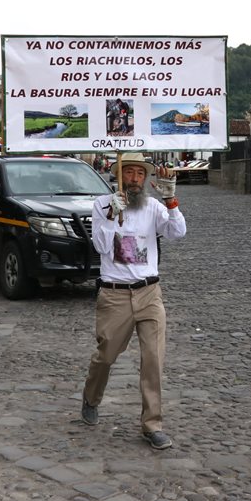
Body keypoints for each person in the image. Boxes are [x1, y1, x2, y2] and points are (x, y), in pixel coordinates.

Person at [81, 152, 186, 451]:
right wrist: (114, 214)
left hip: (149, 292)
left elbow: (178, 233)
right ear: (119, 174)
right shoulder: (101, 206)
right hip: (114, 295)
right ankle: (91, 397)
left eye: (141, 174)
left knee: (153, 358)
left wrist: (171, 201)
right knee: (107, 355)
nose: (136, 179)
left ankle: (152, 424)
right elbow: (101, 246)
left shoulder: (153, 207)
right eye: (130, 173)